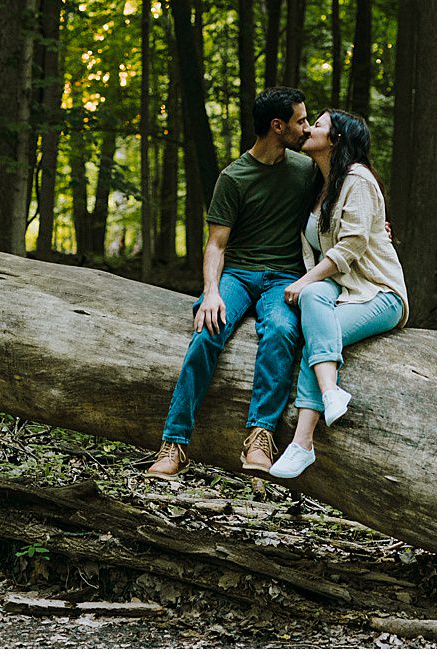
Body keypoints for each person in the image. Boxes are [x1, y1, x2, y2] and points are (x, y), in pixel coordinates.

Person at [145, 87, 320, 479]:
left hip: (285, 279)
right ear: (278, 126)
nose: (306, 128)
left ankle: (260, 437)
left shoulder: (306, 171)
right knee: (207, 332)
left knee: (281, 331)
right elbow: (216, 244)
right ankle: (173, 444)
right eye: (300, 120)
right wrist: (210, 292)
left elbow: (341, 196)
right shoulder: (234, 177)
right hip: (238, 275)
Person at [267, 109, 407, 479]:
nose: (310, 129)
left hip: (378, 291)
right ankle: (331, 392)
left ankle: (302, 442)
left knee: (316, 332)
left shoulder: (357, 179)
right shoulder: (320, 181)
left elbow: (352, 246)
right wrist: (309, 284)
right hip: (343, 287)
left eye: (319, 125)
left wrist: (303, 280)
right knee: (314, 299)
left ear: (336, 140)